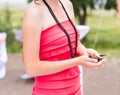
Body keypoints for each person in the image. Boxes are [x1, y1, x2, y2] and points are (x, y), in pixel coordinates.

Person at [22, 0, 107, 95]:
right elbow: (32, 68)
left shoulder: (67, 4)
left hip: (75, 89)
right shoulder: (34, 12)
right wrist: (77, 61)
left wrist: (85, 52)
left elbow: (75, 43)